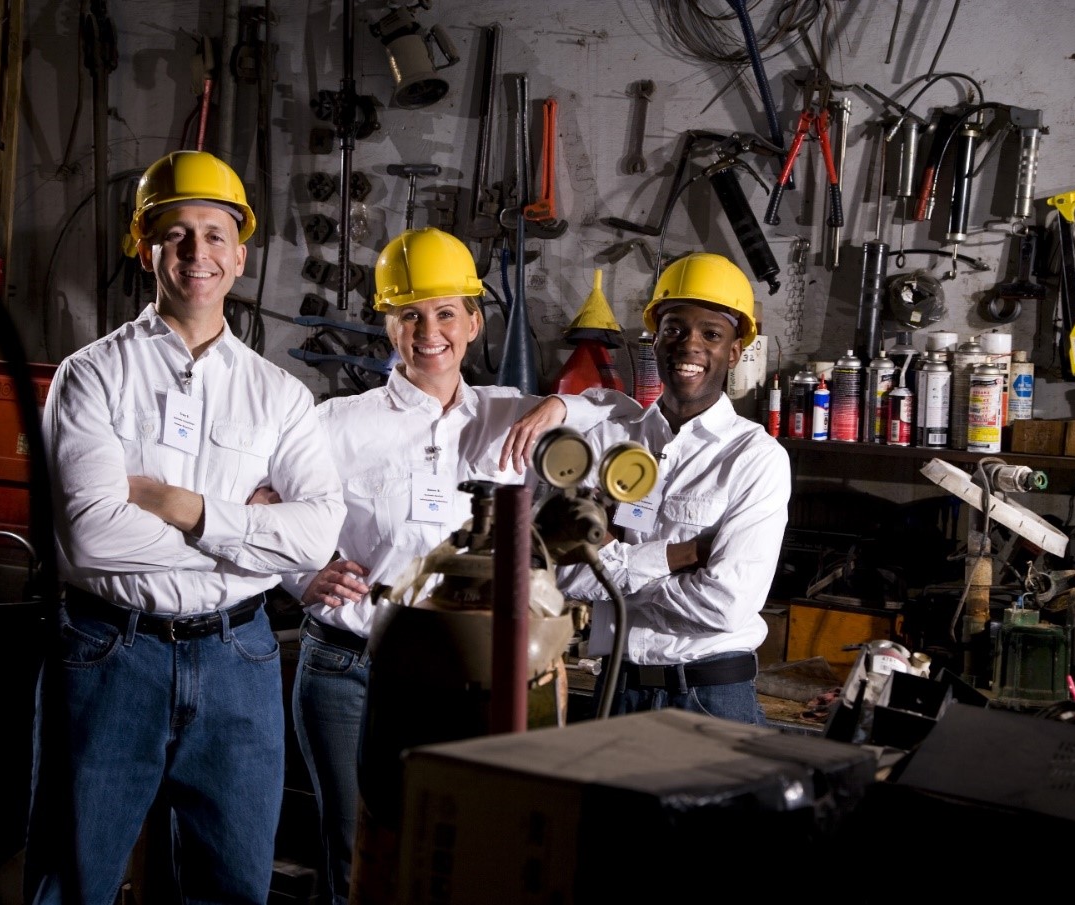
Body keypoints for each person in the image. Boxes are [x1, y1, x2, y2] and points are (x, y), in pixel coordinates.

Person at [28, 149, 346, 905]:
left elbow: (314, 536)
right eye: (176, 233)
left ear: (240, 255)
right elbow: (92, 535)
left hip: (239, 656)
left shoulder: (281, 396)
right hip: (109, 651)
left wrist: (181, 507)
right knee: (74, 880)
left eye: (214, 233)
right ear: (146, 249)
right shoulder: (92, 375)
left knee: (232, 887)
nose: (196, 252)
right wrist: (247, 535)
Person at [281, 226, 605, 905]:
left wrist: (559, 404)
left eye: (446, 313)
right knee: (358, 855)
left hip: (471, 672)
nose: (429, 332)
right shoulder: (337, 424)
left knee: (458, 859)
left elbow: (629, 420)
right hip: (352, 668)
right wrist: (300, 575)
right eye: (409, 315)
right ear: (388, 325)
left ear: (474, 321)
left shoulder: (509, 416)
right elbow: (260, 503)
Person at [549, 252, 791, 724]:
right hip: (615, 693)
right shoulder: (607, 442)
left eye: (712, 334)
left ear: (735, 351)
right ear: (655, 340)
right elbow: (566, 576)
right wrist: (678, 557)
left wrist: (615, 567)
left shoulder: (756, 458)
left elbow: (726, 606)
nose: (690, 346)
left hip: (709, 697)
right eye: (675, 329)